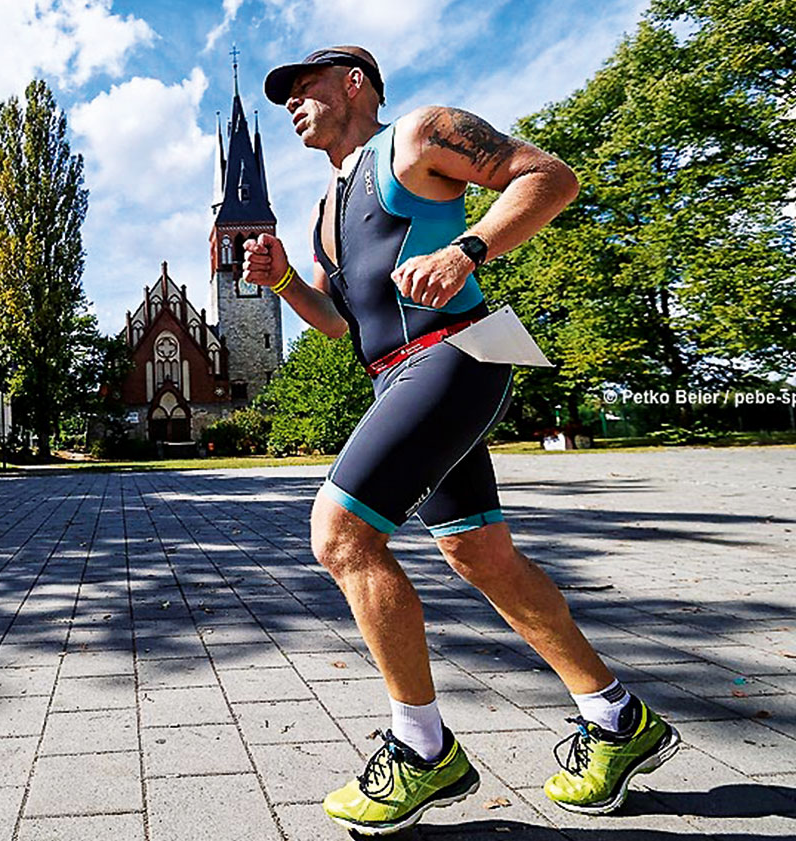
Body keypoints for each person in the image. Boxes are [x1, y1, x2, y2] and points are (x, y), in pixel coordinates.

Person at [243, 46, 680, 836]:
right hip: (397, 374)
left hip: (456, 353)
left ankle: (422, 748)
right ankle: (617, 719)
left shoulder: (417, 136)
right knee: (482, 555)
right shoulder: (321, 213)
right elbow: (345, 323)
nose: (295, 106)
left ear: (355, 84)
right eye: (287, 101)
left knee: (340, 534)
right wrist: (284, 281)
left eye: (306, 90)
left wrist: (467, 248)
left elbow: (551, 176)